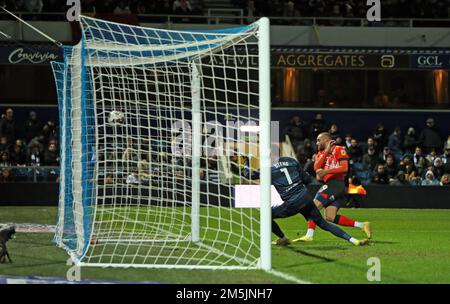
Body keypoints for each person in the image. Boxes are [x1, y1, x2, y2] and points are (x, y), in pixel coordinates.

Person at [244, 152, 369, 246]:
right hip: (305, 197)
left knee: (266, 214)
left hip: (292, 201)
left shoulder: (267, 168)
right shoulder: (292, 161)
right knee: (323, 223)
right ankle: (354, 240)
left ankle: (282, 238)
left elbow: (248, 175)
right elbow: (307, 179)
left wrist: (246, 162)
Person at [295, 132, 371, 243]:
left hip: (336, 184)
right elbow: (316, 167)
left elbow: (344, 168)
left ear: (326, 140)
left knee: (313, 207)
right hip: (332, 186)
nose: (316, 143)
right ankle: (362, 225)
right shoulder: (321, 153)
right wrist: (326, 152)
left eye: (318, 140)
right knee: (330, 216)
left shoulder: (339, 149)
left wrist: (327, 171)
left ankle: (309, 235)